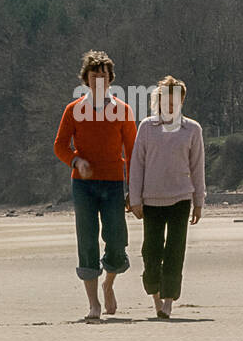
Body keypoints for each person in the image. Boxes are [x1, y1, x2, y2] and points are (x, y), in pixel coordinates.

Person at [54, 50, 136, 322]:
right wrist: (76, 161)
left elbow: (133, 151)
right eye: (93, 76)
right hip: (84, 186)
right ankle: (93, 305)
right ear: (86, 80)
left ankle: (108, 284)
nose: (98, 80)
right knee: (86, 241)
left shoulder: (123, 110)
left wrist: (133, 189)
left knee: (116, 240)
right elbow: (60, 146)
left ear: (111, 79)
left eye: (103, 76)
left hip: (114, 183)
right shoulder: (73, 110)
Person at [128, 76, 205, 320]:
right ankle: (155, 296)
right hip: (151, 199)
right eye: (165, 99)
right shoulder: (147, 127)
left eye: (175, 99)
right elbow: (137, 165)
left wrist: (199, 202)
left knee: (174, 250)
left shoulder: (192, 129)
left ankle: (168, 301)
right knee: (151, 251)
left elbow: (198, 167)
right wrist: (135, 198)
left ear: (182, 100)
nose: (170, 104)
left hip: (181, 198)